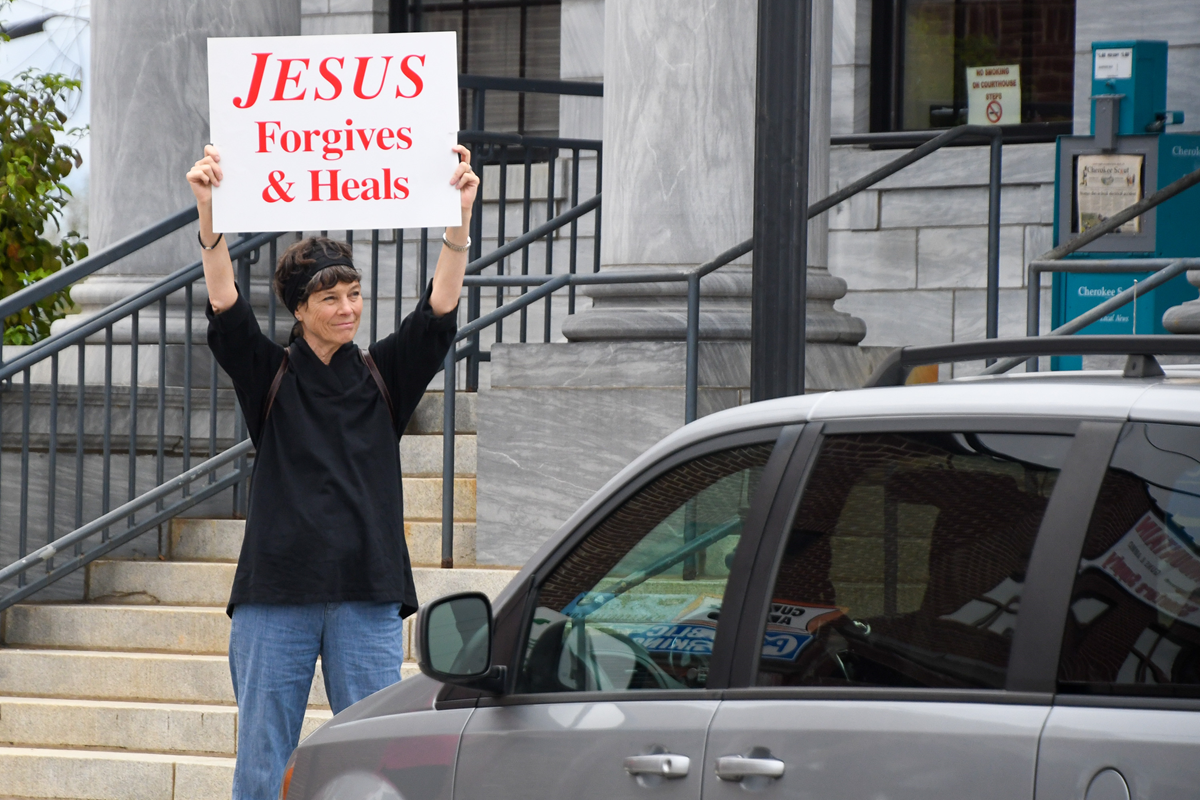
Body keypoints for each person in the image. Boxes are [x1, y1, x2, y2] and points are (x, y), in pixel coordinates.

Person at [185, 142, 479, 800]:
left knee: (378, 764)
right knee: (263, 762)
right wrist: (210, 216)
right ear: (297, 309)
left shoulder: (382, 374)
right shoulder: (271, 374)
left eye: (354, 293)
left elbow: (436, 318)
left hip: (367, 595)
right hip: (275, 597)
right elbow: (228, 312)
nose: (348, 308)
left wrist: (457, 222)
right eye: (330, 298)